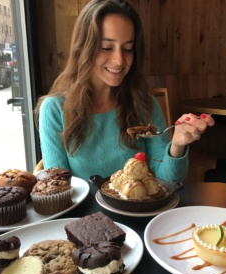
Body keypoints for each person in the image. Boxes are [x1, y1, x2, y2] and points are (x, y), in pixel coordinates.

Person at [34, 0, 214, 183]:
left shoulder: (144, 105)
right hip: (84, 212)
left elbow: (168, 178)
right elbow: (57, 187)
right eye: (106, 47)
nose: (119, 60)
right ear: (84, 48)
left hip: (139, 211)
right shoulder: (55, 109)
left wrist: (177, 145)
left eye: (128, 49)